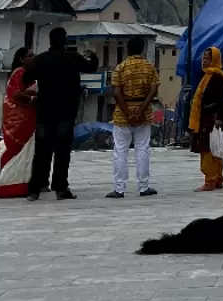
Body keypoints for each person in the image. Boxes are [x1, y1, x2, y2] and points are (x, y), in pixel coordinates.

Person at [23, 27, 99, 201]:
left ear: (50, 41)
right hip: (66, 111)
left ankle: (35, 188)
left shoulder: (41, 59)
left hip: (44, 111)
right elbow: (91, 67)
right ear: (65, 41)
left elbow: (26, 78)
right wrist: (92, 55)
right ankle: (60, 188)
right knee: (62, 151)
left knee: (42, 150)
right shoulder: (72, 58)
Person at [107, 35, 159, 199]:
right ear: (142, 49)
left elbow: (116, 93)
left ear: (128, 49)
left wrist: (129, 113)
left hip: (122, 114)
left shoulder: (121, 67)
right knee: (142, 149)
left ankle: (119, 188)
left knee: (120, 151)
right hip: (143, 114)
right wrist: (141, 110)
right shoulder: (149, 67)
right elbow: (153, 91)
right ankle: (143, 187)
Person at [0, 47, 39, 198]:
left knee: (26, 154)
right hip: (17, 121)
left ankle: (23, 185)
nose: (33, 58)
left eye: (34, 55)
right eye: (30, 56)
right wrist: (33, 97)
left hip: (28, 119)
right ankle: (8, 186)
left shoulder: (29, 75)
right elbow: (15, 94)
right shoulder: (19, 72)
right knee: (15, 151)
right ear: (21, 59)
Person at [189, 46, 223, 191]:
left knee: (209, 149)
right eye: (204, 58)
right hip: (205, 117)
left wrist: (218, 117)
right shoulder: (207, 76)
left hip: (211, 118)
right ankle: (217, 178)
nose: (205, 61)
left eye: (208, 58)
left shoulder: (217, 77)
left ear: (215, 60)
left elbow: (221, 100)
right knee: (213, 148)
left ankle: (210, 180)